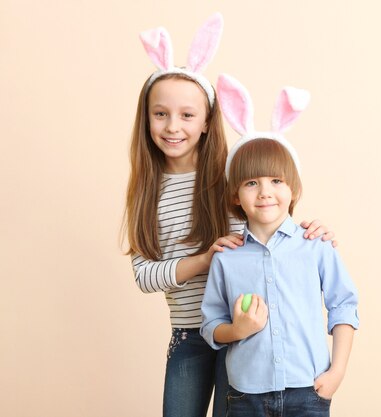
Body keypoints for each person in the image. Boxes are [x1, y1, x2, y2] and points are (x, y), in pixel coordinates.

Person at [124, 16, 335, 417]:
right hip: (189, 335)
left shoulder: (227, 177)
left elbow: (269, 225)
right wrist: (204, 259)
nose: (173, 126)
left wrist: (309, 229)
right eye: (160, 114)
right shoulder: (145, 191)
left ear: (206, 122)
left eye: (187, 115)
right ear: (146, 118)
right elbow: (143, 276)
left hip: (243, 334)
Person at [200, 74, 359, 417]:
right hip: (245, 396)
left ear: (293, 189)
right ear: (235, 195)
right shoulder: (227, 258)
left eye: (276, 180)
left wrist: (337, 372)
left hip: (308, 391)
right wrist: (237, 329)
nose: (265, 192)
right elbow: (211, 325)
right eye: (251, 182)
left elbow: (343, 306)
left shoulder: (316, 245)